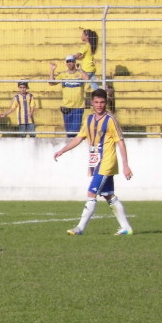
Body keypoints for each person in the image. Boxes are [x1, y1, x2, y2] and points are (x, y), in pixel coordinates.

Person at [53, 88, 133, 236]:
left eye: (102, 102)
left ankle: (80, 228)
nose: (99, 105)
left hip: (107, 162)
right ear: (92, 103)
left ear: (106, 103)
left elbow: (120, 142)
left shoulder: (111, 120)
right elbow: (79, 137)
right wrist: (63, 150)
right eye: (96, 102)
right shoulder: (89, 119)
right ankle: (126, 228)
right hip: (95, 162)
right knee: (109, 195)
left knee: (91, 193)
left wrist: (126, 165)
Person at [50, 55, 89, 137]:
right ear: (66, 63)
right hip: (66, 107)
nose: (70, 63)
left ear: (75, 62)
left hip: (78, 107)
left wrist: (81, 70)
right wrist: (52, 70)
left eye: (72, 61)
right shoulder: (63, 74)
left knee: (75, 131)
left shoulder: (80, 73)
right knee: (69, 132)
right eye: (68, 61)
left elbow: (87, 80)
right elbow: (51, 83)